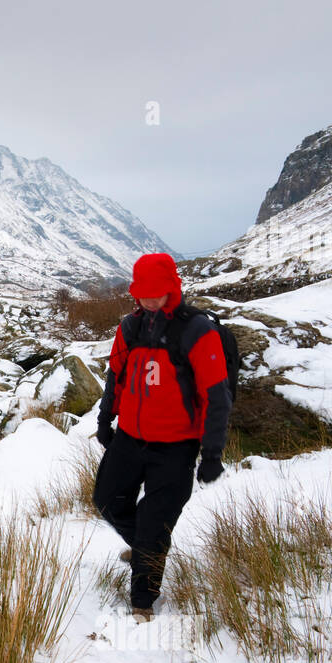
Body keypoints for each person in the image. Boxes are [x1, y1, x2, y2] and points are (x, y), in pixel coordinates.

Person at [93, 252, 231, 622]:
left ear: (173, 288)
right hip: (130, 437)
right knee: (106, 500)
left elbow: (216, 395)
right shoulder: (130, 327)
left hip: (175, 447)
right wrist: (106, 419)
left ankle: (143, 602)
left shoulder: (196, 330)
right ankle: (143, 550)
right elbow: (116, 376)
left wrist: (212, 452)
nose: (150, 300)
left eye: (158, 293)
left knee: (155, 522)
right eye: (143, 294)